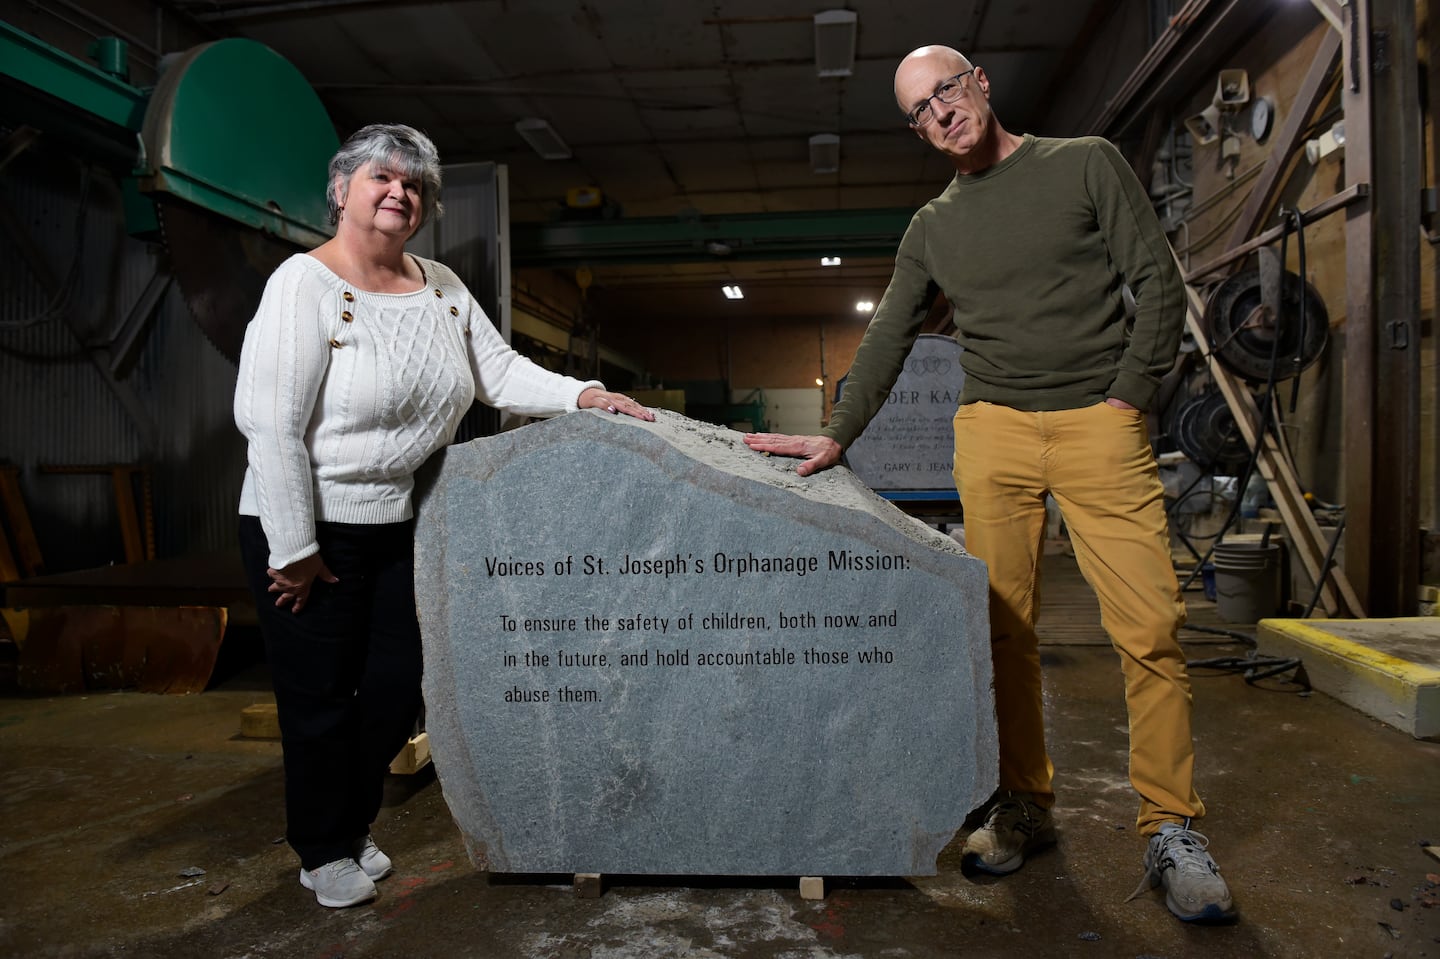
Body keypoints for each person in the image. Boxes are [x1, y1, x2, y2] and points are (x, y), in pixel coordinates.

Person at [743, 46, 1235, 924]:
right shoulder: (933, 225)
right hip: (993, 433)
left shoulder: (1085, 163)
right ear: (919, 131)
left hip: (1099, 422)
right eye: (919, 111)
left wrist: (1130, 396)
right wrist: (838, 431)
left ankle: (1170, 824)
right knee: (1003, 631)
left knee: (1150, 627)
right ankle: (1025, 804)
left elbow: (1155, 282)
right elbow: (891, 331)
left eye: (946, 91)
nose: (941, 113)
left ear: (980, 84)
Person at [234, 123, 653, 909]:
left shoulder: (442, 286)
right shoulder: (304, 285)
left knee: (395, 686)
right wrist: (292, 548)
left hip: (394, 520)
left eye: (415, 184)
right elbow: (272, 424)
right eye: (381, 178)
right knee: (320, 696)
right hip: (303, 524)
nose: (400, 192)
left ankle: (353, 826)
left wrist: (583, 394)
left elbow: (497, 371)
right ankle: (324, 847)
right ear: (341, 190)